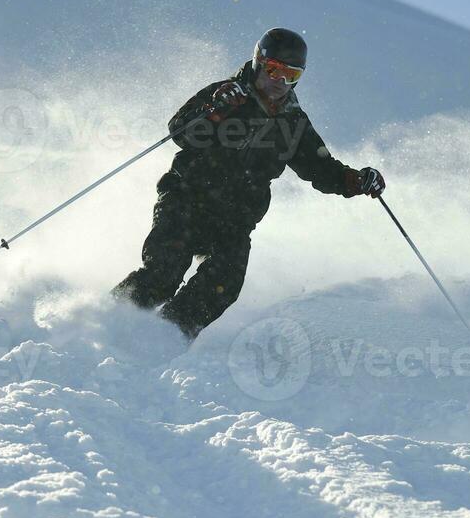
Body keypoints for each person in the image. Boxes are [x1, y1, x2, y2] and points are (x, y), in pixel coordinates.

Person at [112, 27, 385, 338]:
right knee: (165, 272)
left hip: (234, 220)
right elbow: (180, 132)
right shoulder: (228, 95)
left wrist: (356, 180)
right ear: (258, 62)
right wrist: (213, 113)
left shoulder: (293, 122)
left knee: (224, 283)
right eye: (273, 70)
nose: (280, 82)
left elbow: (321, 168)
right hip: (187, 199)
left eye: (291, 76)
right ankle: (112, 318)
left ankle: (167, 334)